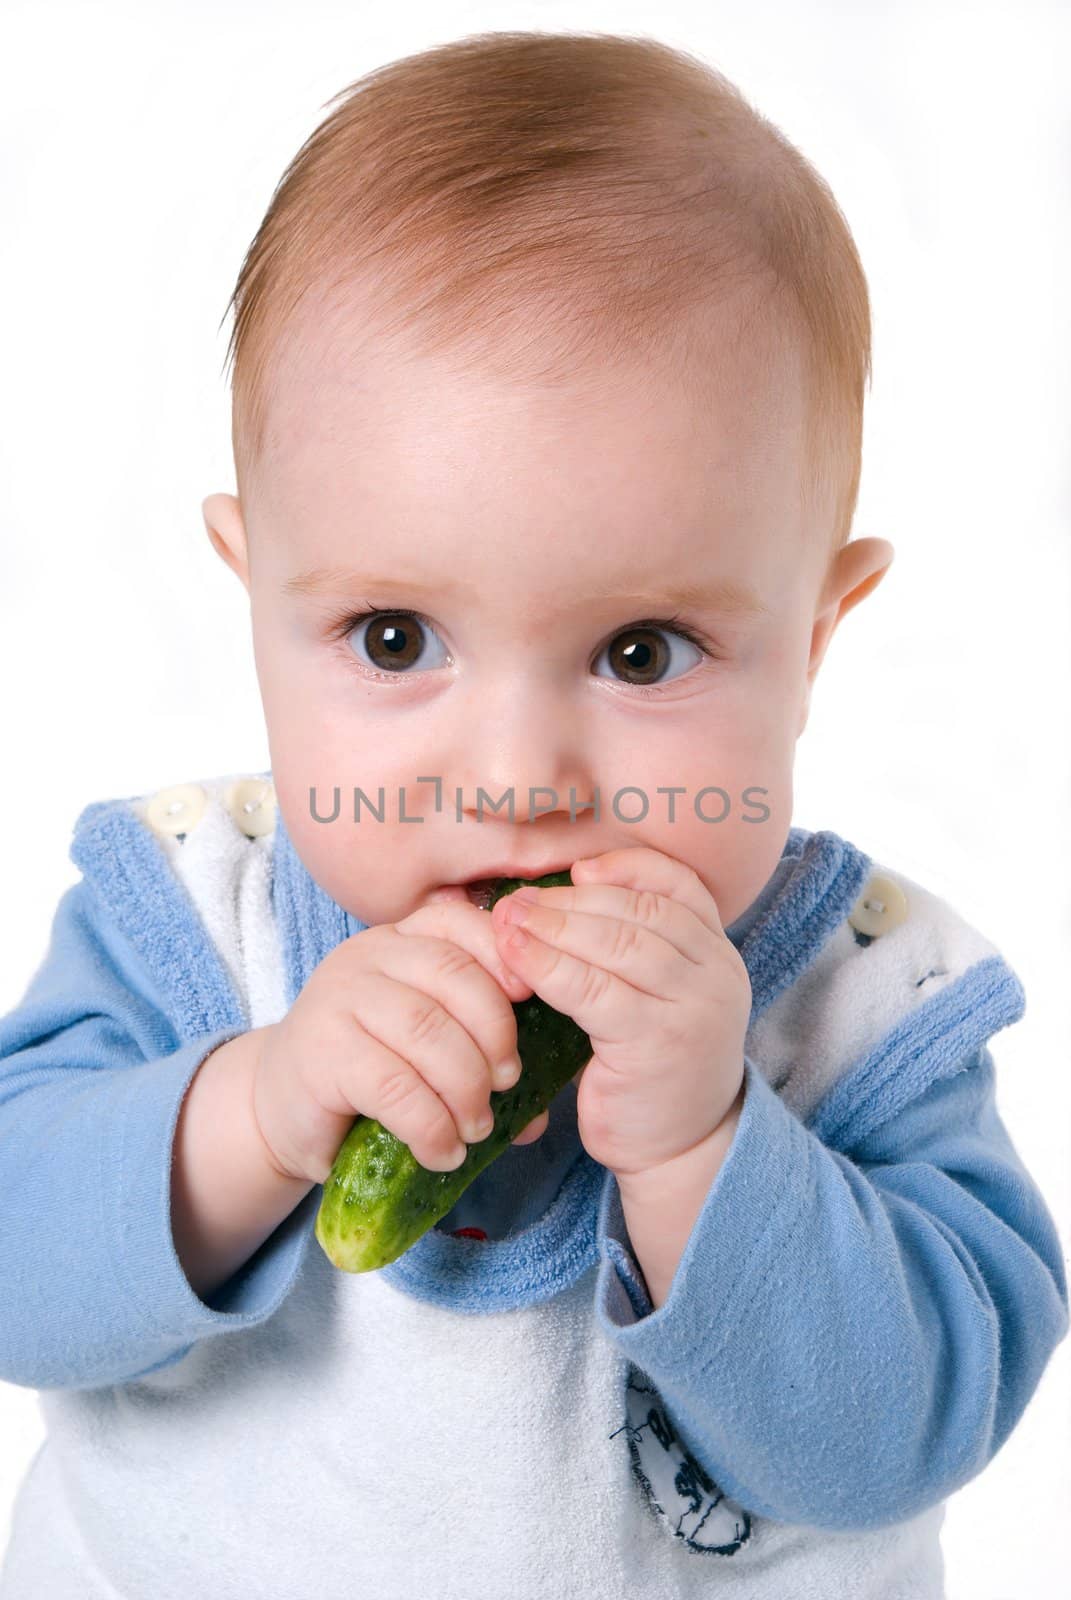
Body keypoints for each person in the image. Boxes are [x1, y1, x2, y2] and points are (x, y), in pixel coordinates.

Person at [0, 29, 1065, 1600]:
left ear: (817, 639)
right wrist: (257, 1107)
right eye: (392, 640)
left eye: (641, 653)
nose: (513, 778)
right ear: (250, 594)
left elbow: (907, 1431)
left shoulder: (860, 1008)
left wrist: (707, 1147)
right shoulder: (192, 923)